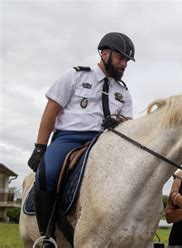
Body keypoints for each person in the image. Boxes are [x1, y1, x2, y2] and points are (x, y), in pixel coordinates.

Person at [26, 32, 136, 247]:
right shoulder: (75, 76)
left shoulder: (123, 92)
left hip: (106, 142)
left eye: (126, 61)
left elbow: (129, 122)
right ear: (105, 54)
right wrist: (40, 147)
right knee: (46, 175)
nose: (124, 64)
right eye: (120, 58)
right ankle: (46, 236)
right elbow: (51, 111)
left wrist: (118, 121)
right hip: (70, 138)